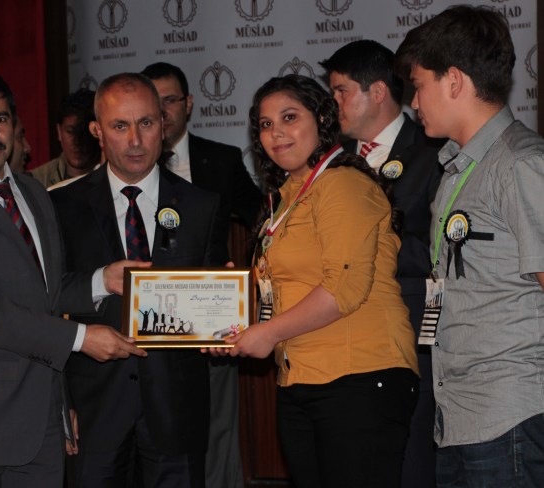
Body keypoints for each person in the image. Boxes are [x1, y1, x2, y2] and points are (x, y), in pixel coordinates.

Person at [0, 68, 146, 488]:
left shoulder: (33, 192)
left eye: (0, 119)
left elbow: (45, 293)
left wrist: (101, 281)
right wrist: (81, 339)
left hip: (42, 427)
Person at [225, 74, 419, 488]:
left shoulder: (343, 184)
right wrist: (228, 315)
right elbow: (283, 289)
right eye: (265, 124)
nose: (276, 132)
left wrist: (266, 334)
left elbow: (342, 289)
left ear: (323, 119)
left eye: (289, 117)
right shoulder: (285, 197)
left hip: (360, 376)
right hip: (299, 377)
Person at [50, 72, 226, 487]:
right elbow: (46, 297)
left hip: (176, 412)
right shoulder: (59, 207)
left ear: (163, 124)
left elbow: (214, 301)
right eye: (119, 126)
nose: (134, 140)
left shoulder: (202, 206)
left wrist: (222, 327)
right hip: (93, 410)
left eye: (146, 123)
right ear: (97, 131)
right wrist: (60, 400)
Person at [395, 6, 544, 487]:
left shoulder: (521, 164)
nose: (413, 101)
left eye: (419, 85)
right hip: (459, 414)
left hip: (510, 415)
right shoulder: (459, 169)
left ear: (454, 81)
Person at [320, 39, 443, 488]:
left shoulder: (434, 151)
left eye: (341, 91)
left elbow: (439, 249)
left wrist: (366, 249)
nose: (333, 104)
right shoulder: (330, 158)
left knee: (409, 465)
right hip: (338, 340)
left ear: (376, 92)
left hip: (407, 336)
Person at [141, 61, 261, 488]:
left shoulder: (221, 159)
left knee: (216, 427)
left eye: (170, 100)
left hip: (207, 315)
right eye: (153, 103)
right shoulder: (126, 163)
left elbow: (262, 218)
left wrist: (247, 282)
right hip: (146, 319)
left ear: (188, 103)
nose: (162, 111)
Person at [29, 88, 100, 188]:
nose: (77, 141)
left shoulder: (110, 175)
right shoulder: (38, 180)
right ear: (59, 131)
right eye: (70, 131)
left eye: (84, 133)